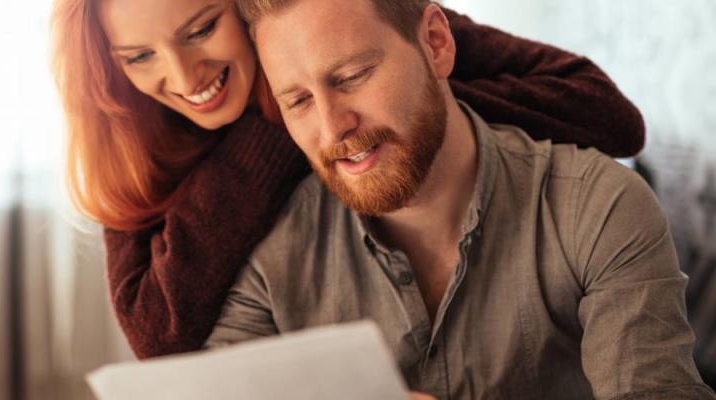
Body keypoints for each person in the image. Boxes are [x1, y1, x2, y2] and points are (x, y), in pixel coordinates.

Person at [50, 0, 646, 359]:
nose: (183, 75)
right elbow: (156, 331)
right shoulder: (127, 129)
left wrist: (407, 105)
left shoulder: (342, 17)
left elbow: (609, 114)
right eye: (138, 57)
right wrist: (281, 129)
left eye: (201, 28)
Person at [205, 0, 715, 398]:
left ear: (435, 43)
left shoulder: (600, 207)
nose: (332, 126)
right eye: (298, 101)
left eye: (352, 77)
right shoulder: (266, 252)